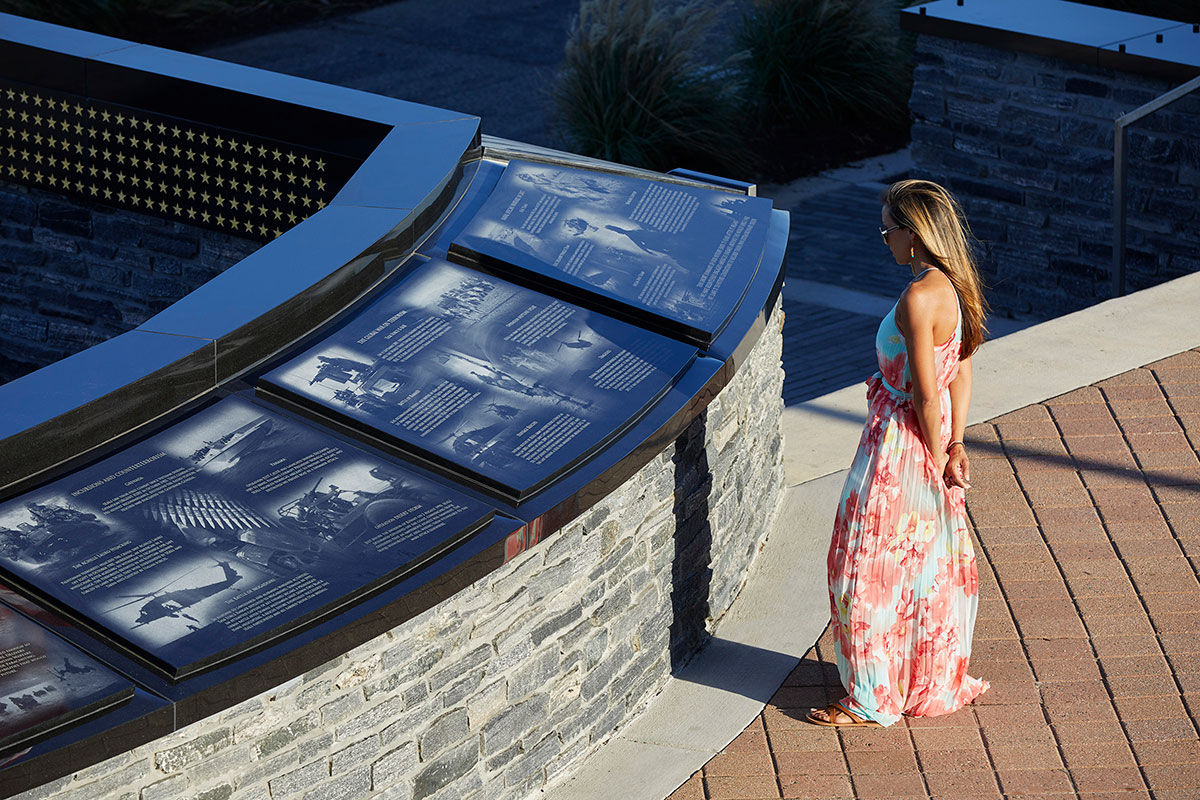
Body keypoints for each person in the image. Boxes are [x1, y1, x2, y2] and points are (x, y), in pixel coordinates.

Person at [807, 180, 990, 727]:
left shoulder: (917, 298)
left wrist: (933, 460)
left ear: (913, 235)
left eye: (888, 230)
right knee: (921, 567)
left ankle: (870, 696)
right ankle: (911, 680)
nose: (884, 239)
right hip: (928, 440)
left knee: (861, 565)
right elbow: (961, 370)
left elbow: (928, 392)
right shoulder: (955, 288)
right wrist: (956, 445)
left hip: (899, 446)